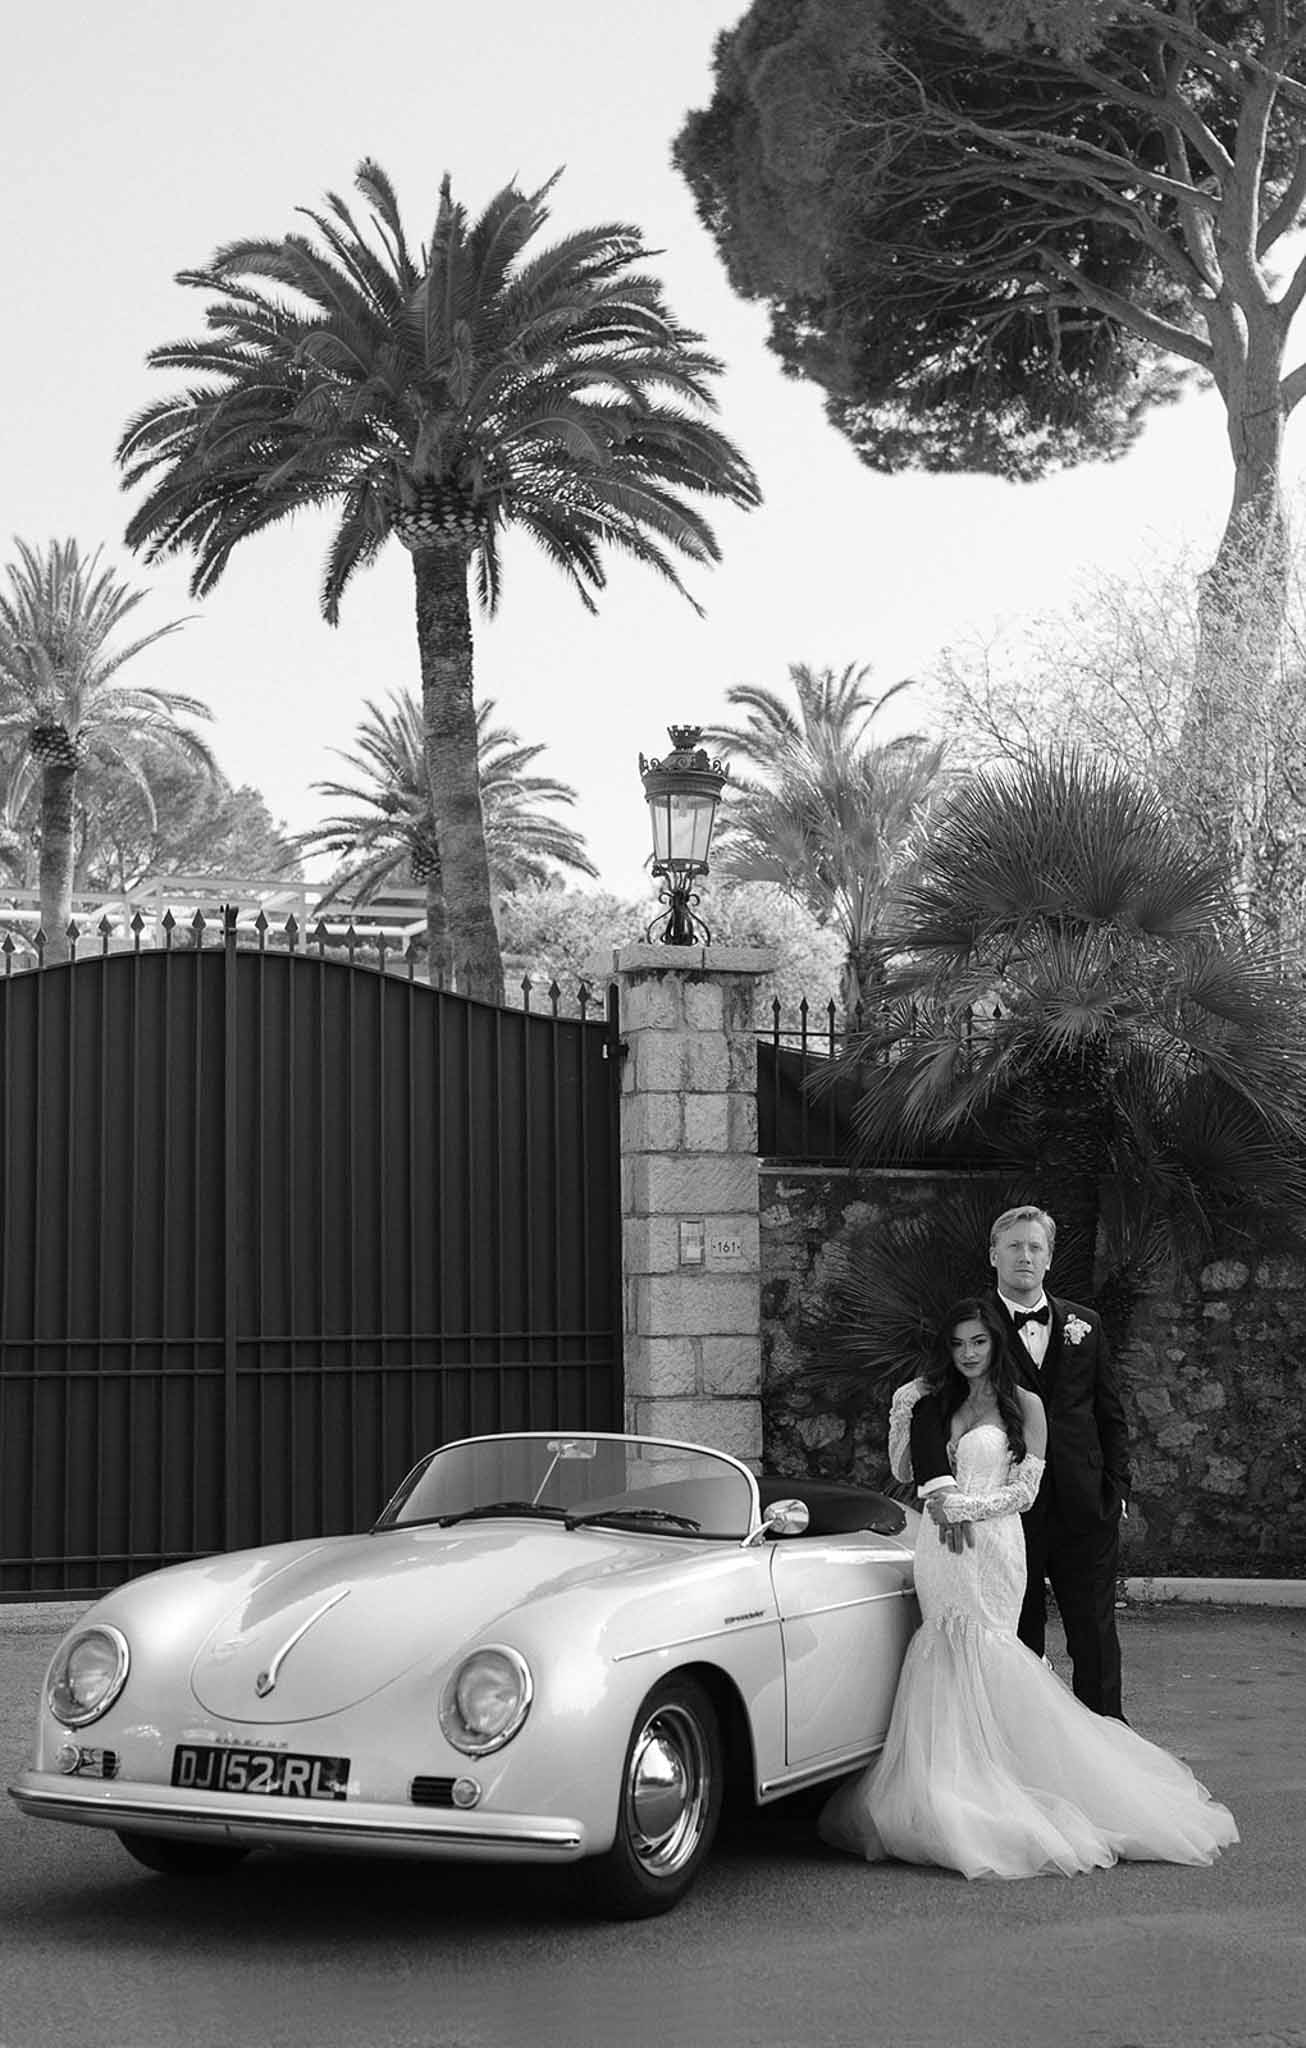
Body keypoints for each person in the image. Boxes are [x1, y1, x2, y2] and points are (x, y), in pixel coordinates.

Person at [818, 1298, 1238, 1879]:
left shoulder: (1026, 1404)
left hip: (993, 1546)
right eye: (958, 1344)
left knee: (990, 1649)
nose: (967, 1354)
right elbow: (909, 1473)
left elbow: (1025, 1492)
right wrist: (901, 1406)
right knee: (941, 1647)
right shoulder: (933, 1403)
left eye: (979, 1342)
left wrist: (963, 1507)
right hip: (939, 1552)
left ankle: (1013, 1779)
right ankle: (949, 1784)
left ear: (996, 1343)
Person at [907, 1204, 1130, 1719]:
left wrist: (1117, 1490)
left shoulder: (1086, 1325)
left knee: (1094, 1637)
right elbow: (929, 1403)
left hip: (1083, 1505)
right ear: (994, 1256)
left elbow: (1110, 1412)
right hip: (1002, 1521)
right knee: (1014, 1638)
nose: (1025, 1256)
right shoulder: (971, 1327)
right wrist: (941, 1490)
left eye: (1035, 1247)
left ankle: (1108, 1745)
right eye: (1014, 1246)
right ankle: (1022, 1747)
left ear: (1050, 1258)